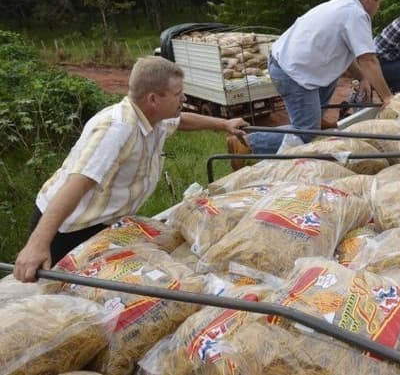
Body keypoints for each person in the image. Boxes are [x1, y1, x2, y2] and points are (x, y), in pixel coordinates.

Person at [14, 56, 248, 282]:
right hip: (67, 229)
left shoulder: (156, 117)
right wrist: (37, 244)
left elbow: (182, 120)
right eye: (178, 94)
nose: (183, 98)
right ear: (153, 99)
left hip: (103, 224)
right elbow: (76, 184)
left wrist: (224, 124)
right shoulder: (117, 129)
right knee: (63, 296)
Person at [229, 0, 394, 161]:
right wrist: (388, 98)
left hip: (297, 65)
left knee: (309, 124)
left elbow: (347, 55)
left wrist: (362, 77)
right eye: (379, 3)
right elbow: (368, 60)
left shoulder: (341, 6)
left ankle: (312, 126)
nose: (378, 8)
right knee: (306, 129)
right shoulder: (356, 14)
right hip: (293, 72)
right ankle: (248, 143)